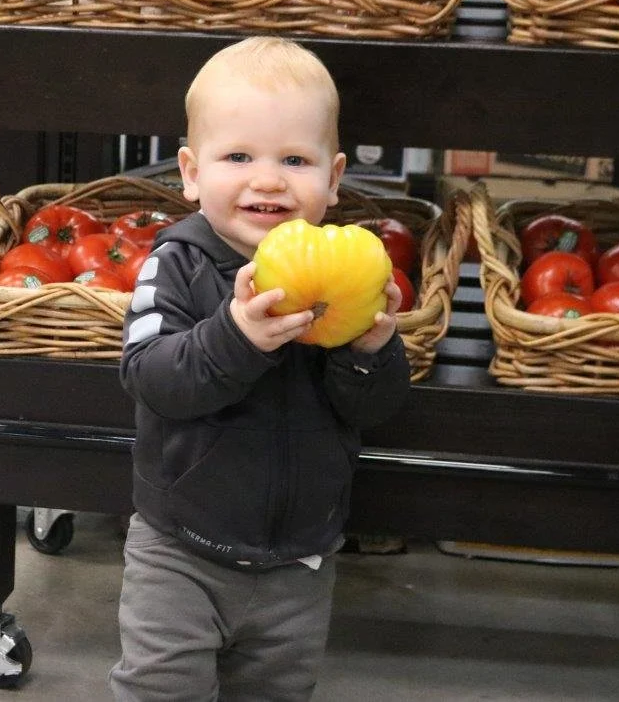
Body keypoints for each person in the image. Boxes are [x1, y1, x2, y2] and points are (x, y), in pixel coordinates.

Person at [109, 35, 411, 702]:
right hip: (180, 546)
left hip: (300, 558)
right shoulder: (177, 264)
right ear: (191, 172)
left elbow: (375, 406)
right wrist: (236, 335)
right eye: (238, 156)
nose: (267, 179)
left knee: (277, 689)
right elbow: (151, 374)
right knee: (161, 687)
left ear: (333, 179)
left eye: (295, 159)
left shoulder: (343, 272)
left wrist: (369, 350)